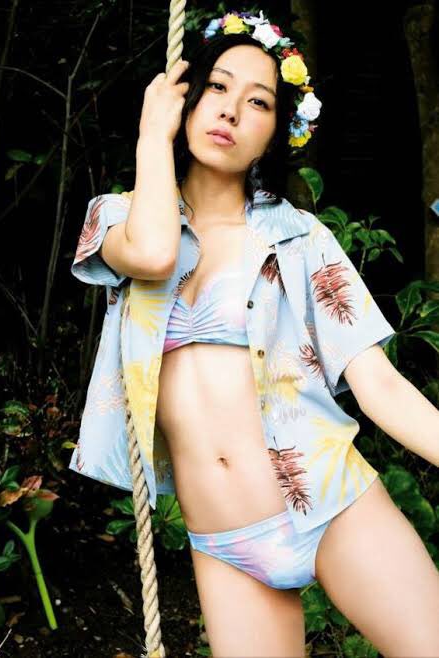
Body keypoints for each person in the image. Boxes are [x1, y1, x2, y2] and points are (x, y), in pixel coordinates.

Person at [70, 11, 439, 658]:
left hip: (332, 505)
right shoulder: (117, 217)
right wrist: (152, 136)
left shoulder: (299, 238)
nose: (231, 110)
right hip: (226, 543)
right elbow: (154, 254)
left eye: (259, 101)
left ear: (275, 134)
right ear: (185, 99)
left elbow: (378, 384)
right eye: (216, 86)